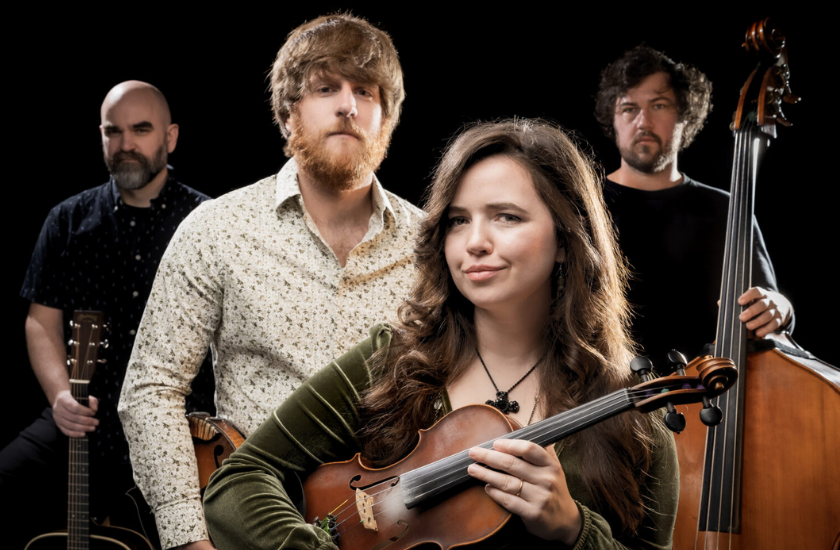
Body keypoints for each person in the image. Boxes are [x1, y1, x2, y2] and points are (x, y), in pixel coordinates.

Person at [203, 119, 679, 550]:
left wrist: (574, 527)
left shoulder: (637, 417)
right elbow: (240, 479)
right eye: (458, 220)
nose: (475, 242)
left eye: (507, 216)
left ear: (565, 239)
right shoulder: (390, 360)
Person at [118, 14, 424, 550]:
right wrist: (188, 536)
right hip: (248, 527)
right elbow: (151, 388)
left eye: (365, 91)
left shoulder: (431, 246)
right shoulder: (217, 229)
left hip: (395, 531)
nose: (348, 106)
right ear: (287, 114)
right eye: (326, 88)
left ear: (387, 119)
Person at [1, 80, 212, 549]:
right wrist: (61, 396)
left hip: (176, 426)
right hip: (85, 415)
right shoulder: (67, 220)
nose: (126, 144)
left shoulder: (208, 222)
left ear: (171, 137)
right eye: (113, 131)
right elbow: (40, 320)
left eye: (141, 129)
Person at [593, 46, 793, 369]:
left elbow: (769, 301)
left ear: (684, 115)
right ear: (613, 120)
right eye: (629, 108)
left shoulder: (726, 208)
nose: (643, 121)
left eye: (659, 105)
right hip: (605, 391)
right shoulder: (584, 204)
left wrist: (781, 309)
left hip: (710, 391)